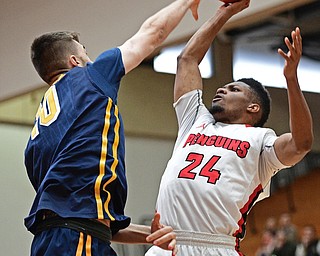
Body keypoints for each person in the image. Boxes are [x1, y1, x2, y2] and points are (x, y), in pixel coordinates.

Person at [24, 0, 201, 255]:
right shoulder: (89, 77)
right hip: (77, 240)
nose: (90, 58)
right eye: (86, 53)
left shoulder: (38, 138)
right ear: (75, 61)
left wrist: (151, 236)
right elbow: (152, 33)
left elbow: (87, 219)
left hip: (60, 240)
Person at [145, 0, 313, 255]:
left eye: (234, 89)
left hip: (215, 246)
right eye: (225, 86)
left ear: (253, 108)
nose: (222, 89)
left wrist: (291, 79)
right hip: (167, 243)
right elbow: (187, 59)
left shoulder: (261, 140)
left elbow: (301, 144)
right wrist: (224, 13)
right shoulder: (196, 120)